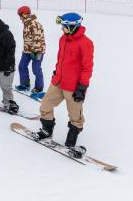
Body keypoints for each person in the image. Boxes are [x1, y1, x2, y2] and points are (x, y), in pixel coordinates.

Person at [35, 13, 94, 148]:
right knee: (45, 105)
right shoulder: (63, 39)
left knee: (75, 115)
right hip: (58, 81)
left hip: (73, 86)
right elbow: (60, 59)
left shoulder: (86, 43)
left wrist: (82, 87)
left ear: (72, 26)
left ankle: (71, 138)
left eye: (64, 26)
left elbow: (87, 67)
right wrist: (57, 72)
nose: (61, 29)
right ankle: (47, 130)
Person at [15, 6, 46, 93]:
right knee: (22, 66)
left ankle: (39, 88)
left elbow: (38, 38)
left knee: (36, 69)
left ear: (24, 15)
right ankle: (25, 84)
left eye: (20, 15)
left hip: (37, 50)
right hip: (27, 50)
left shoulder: (34, 24)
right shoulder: (26, 23)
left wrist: (35, 52)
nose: (19, 18)